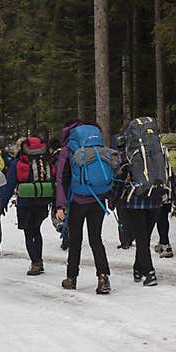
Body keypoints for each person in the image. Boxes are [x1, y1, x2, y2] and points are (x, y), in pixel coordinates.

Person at [54, 120, 113, 294]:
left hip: (77, 201)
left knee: (75, 240)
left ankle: (71, 278)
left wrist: (60, 205)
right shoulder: (97, 144)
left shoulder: (68, 149)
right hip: (98, 199)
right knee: (96, 239)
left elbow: (61, 179)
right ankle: (103, 277)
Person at [117, 116, 169, 286]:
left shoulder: (126, 145)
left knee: (141, 238)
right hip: (155, 196)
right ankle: (138, 267)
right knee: (144, 237)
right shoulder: (156, 144)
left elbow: (121, 170)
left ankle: (149, 272)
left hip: (135, 197)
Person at [1, 136, 55, 276]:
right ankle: (39, 260)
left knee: (28, 233)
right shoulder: (45, 160)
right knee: (36, 231)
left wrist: (3, 203)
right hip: (43, 200)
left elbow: (10, 185)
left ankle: (35, 262)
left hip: (25, 203)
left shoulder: (18, 162)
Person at [154, 132, 176, 259]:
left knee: (159, 217)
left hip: (161, 188)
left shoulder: (158, 151)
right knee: (163, 217)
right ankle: (163, 241)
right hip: (171, 188)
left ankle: (165, 245)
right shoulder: (175, 151)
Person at [110, 133, 133, 250]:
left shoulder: (120, 159)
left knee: (122, 217)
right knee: (132, 217)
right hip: (135, 192)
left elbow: (118, 182)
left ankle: (125, 240)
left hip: (123, 194)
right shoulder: (134, 156)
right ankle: (131, 237)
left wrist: (112, 201)